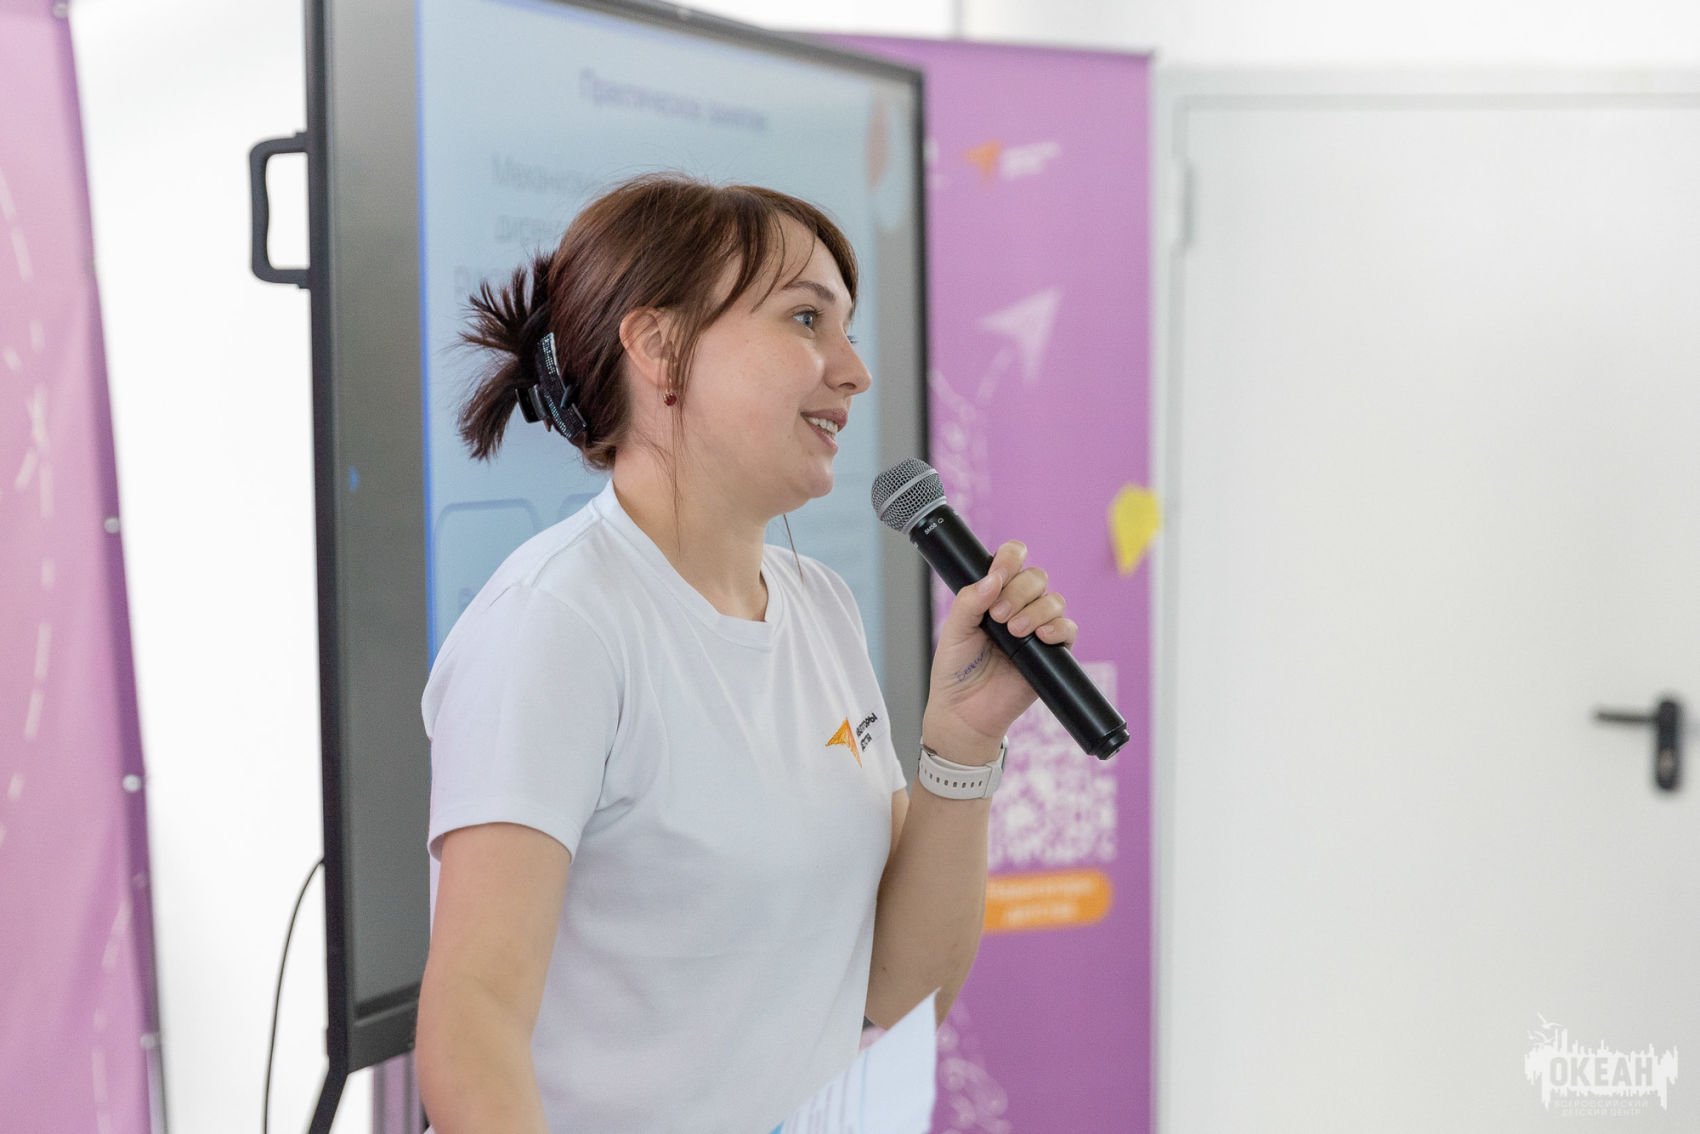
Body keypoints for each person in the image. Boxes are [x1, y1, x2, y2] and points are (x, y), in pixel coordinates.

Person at [415, 173, 1076, 1134]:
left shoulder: (820, 606)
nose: (854, 371)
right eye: (806, 319)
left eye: (847, 328)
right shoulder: (557, 623)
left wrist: (963, 745)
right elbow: (471, 1028)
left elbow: (899, 992)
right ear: (658, 346)